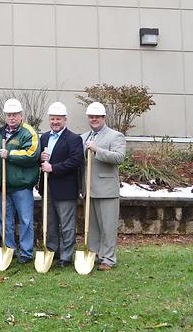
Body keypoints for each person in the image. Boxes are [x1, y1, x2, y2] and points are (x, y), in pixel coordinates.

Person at [0, 98, 40, 264]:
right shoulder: (0, 133)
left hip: (21, 186)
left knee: (26, 220)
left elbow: (32, 154)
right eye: (9, 115)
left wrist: (10, 154)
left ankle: (26, 253)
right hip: (4, 186)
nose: (11, 118)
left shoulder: (28, 132)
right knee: (4, 219)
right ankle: (9, 249)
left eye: (15, 115)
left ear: (21, 115)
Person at [39, 102, 83, 267]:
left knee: (66, 224)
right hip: (48, 187)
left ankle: (66, 256)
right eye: (52, 119)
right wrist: (41, 159)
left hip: (65, 188)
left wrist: (53, 168)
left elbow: (75, 161)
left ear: (65, 119)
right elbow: (41, 162)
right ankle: (52, 250)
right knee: (49, 222)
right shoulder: (44, 137)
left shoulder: (73, 139)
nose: (55, 122)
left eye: (58, 119)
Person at [84, 101, 126, 271]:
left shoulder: (116, 136)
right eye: (91, 117)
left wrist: (97, 150)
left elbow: (119, 157)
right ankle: (94, 254)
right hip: (89, 189)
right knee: (92, 227)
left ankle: (108, 258)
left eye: (97, 117)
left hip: (107, 189)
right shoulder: (84, 136)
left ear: (103, 118)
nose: (94, 119)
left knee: (108, 227)